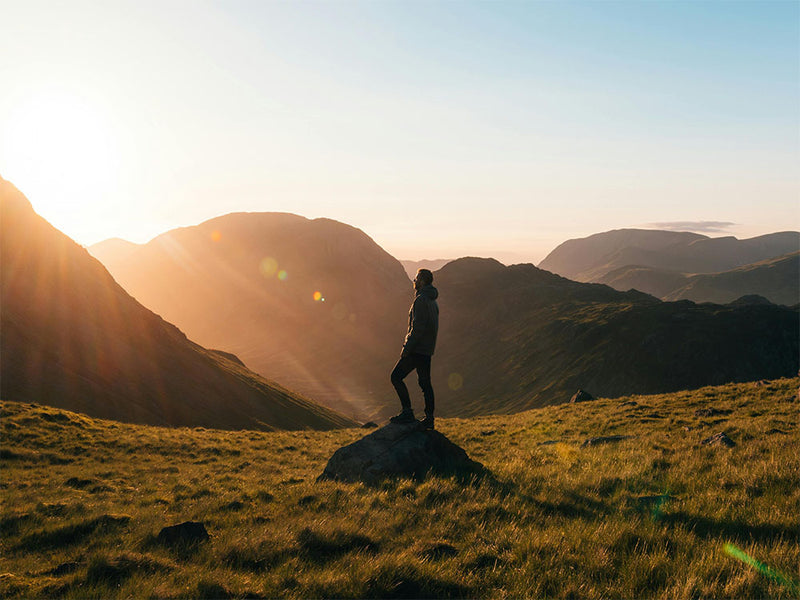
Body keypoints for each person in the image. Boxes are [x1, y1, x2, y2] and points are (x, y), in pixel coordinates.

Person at [390, 268, 439, 429]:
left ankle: (407, 412)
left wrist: (407, 348)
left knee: (396, 377)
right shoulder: (433, 301)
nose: (414, 281)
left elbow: (416, 328)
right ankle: (429, 418)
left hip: (416, 349)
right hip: (426, 350)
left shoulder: (421, 300)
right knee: (426, 384)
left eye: (416, 278)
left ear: (422, 281)